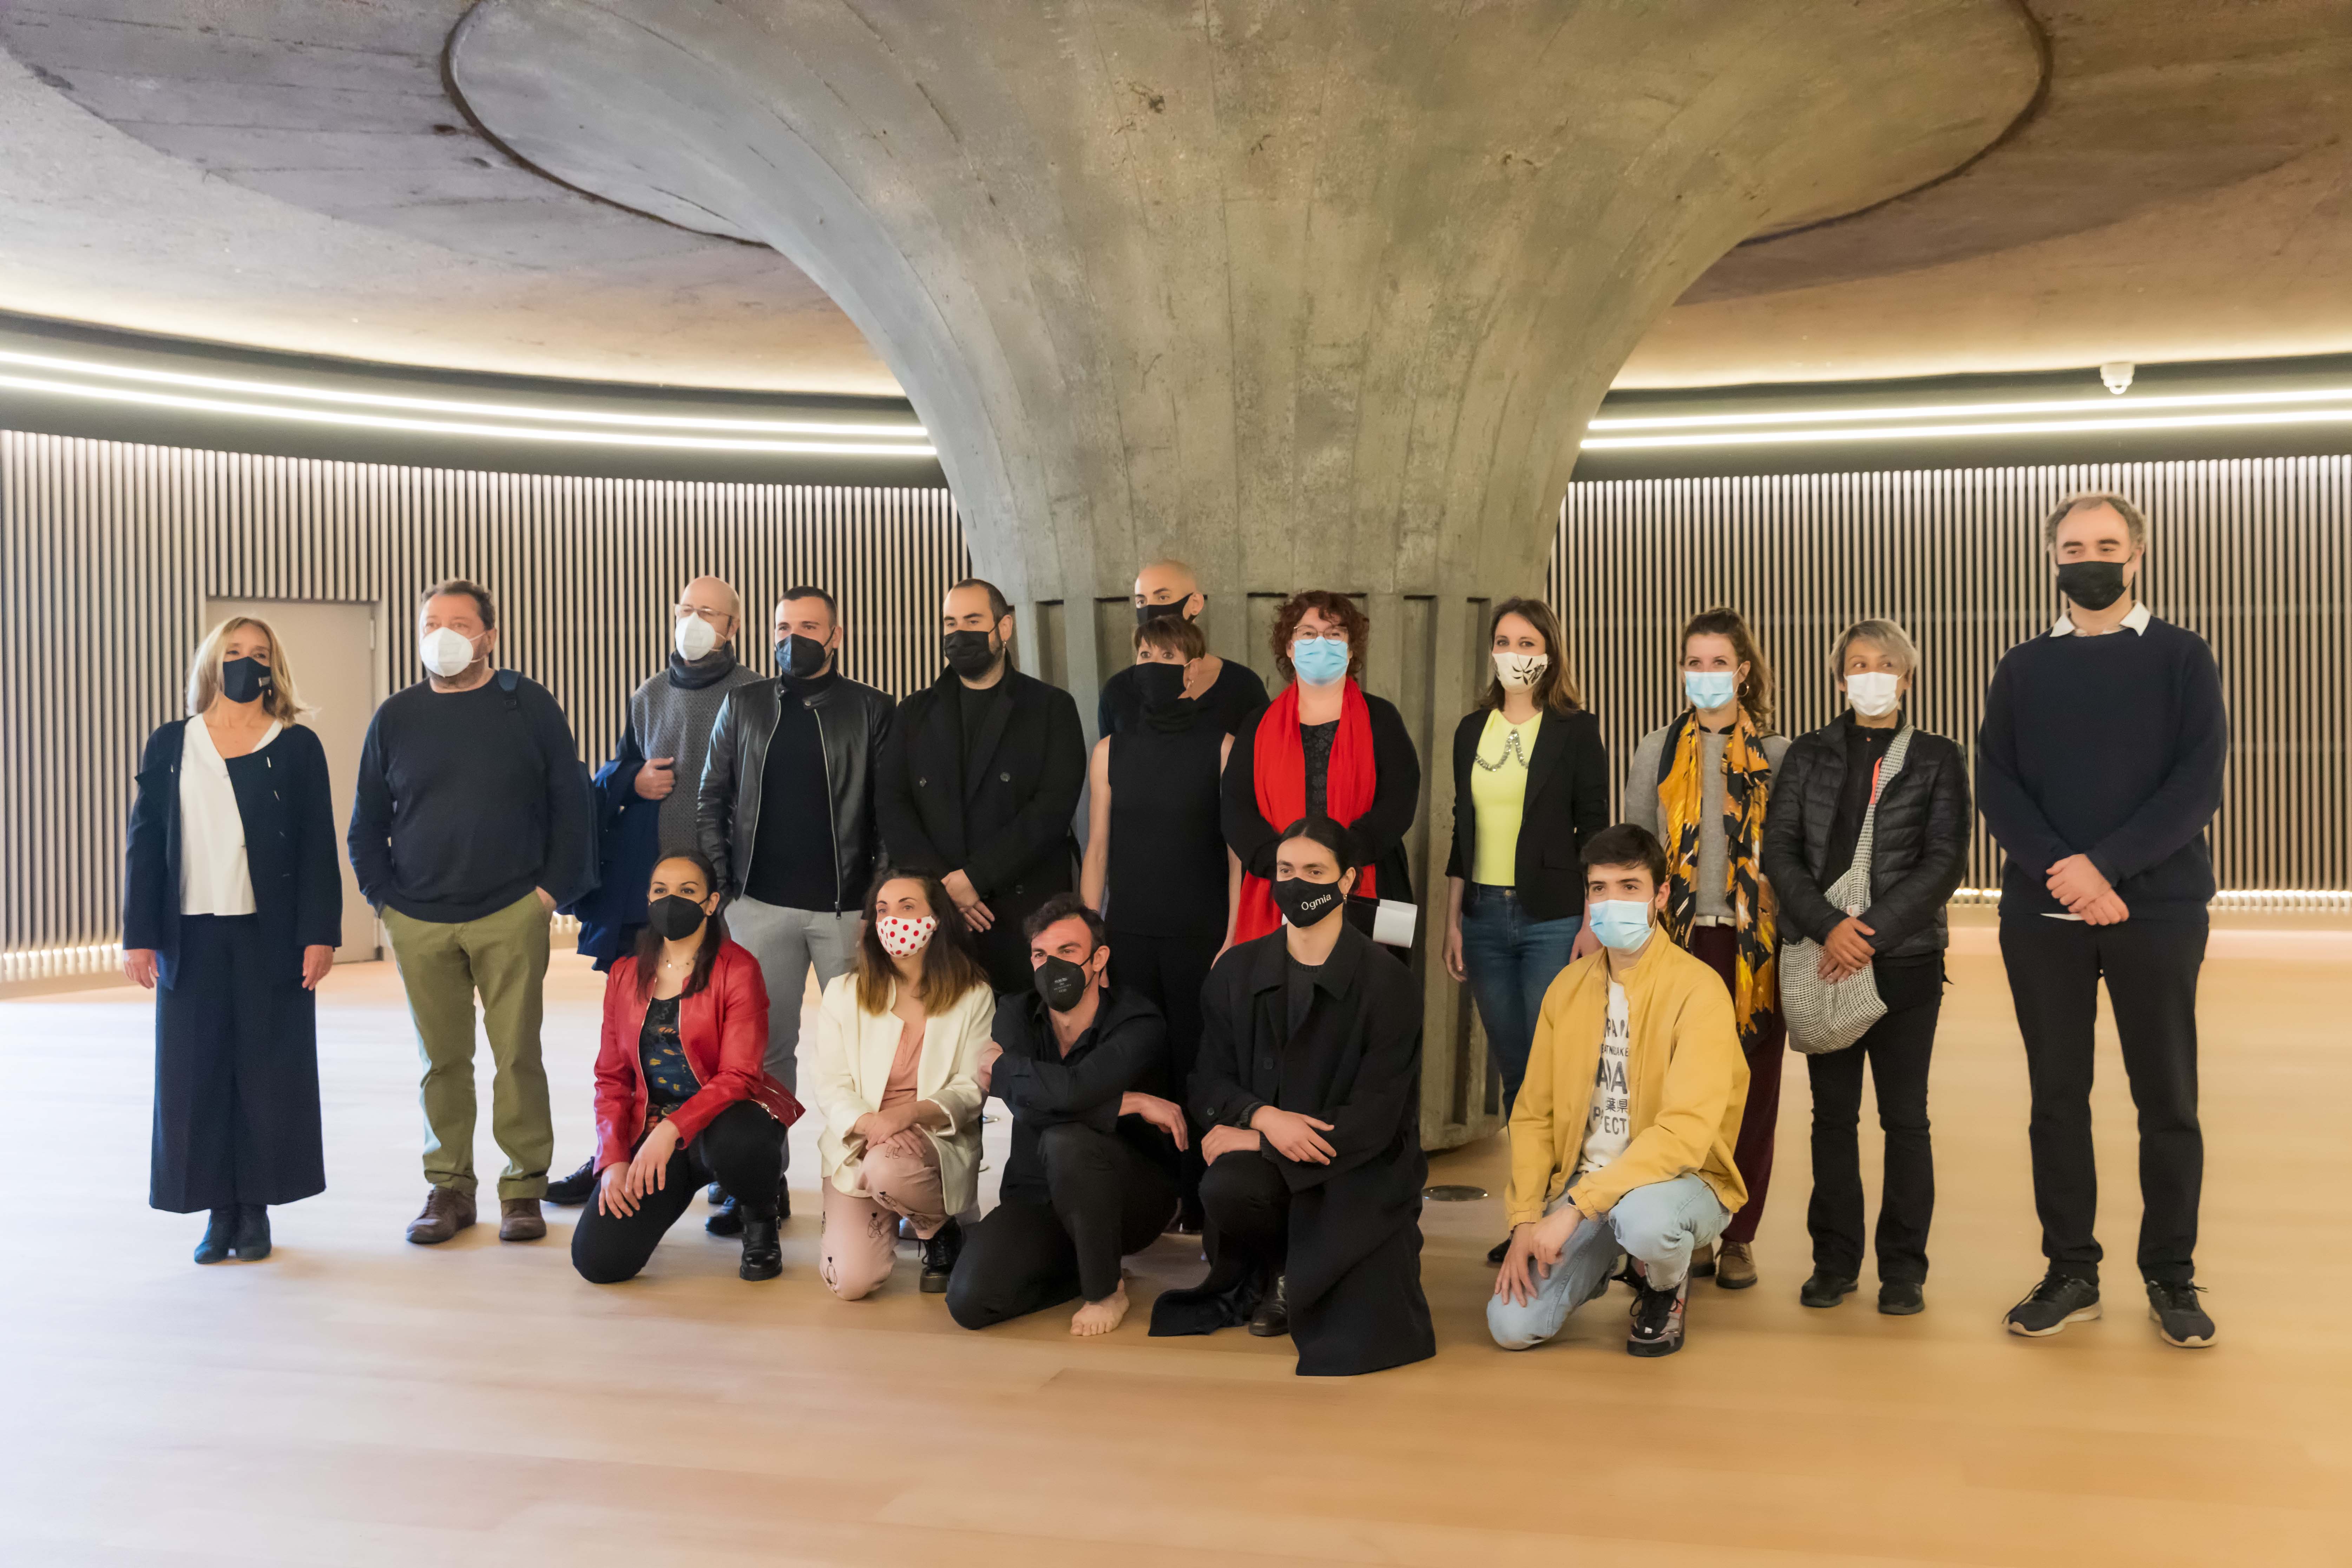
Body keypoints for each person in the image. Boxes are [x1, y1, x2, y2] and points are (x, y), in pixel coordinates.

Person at [1978, 491, 2226, 1348]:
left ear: (2137, 554)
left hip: (2155, 909)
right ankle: (2070, 1270)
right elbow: (1997, 783)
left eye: (2106, 544)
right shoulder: (2021, 667)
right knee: (2056, 1096)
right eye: (2073, 546)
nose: (2090, 558)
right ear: (2052, 558)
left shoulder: (2181, 657)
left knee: (2166, 1097)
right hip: (2042, 911)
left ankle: (2169, 1273)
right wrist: (2068, 872)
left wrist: (2105, 867)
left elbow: (2196, 783)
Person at [350, 579, 594, 1246]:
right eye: (432, 622)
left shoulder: (529, 705)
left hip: (510, 909)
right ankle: (449, 1188)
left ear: (490, 636)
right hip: (419, 917)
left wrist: (548, 894)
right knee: (441, 1061)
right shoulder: (396, 717)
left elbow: (571, 805)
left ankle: (523, 1189)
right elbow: (367, 820)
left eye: (460, 623)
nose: (444, 634)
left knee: (518, 1055)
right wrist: (384, 901)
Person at [1150, 818, 1434, 1377]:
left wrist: (1260, 1140)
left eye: (1314, 871)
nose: (1297, 883)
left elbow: (1377, 1115)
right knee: (1225, 1185)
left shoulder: (1389, 983)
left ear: (1348, 880)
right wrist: (1263, 1117)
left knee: (1362, 1327)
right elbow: (1207, 1081)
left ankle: (1301, 1274)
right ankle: (1273, 1265)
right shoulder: (1235, 971)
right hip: (1271, 1161)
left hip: (1356, 1167)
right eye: (1285, 870)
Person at [1761, 619, 1970, 1315]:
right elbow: (1780, 851)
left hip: (1905, 962)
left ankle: (1903, 1270)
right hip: (1824, 957)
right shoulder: (1808, 755)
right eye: (1857, 664)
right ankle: (1833, 1261)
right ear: (1839, 679)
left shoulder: (1937, 758)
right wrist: (1831, 929)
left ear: (1906, 678)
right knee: (1832, 1118)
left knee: (1905, 1119)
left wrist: (1869, 935)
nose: (1871, 675)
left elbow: (1944, 860)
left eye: (1885, 664)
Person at [123, 617, 341, 1265]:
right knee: (195, 1074)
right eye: (234, 652)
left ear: (275, 667)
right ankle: (218, 1211)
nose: (247, 663)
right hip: (188, 936)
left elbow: (317, 846)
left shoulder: (297, 746)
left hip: (269, 936)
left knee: (269, 1074)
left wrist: (320, 934)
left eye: (260, 654)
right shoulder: (172, 743)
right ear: (211, 663)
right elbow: (145, 843)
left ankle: (256, 1211)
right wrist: (139, 935)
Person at [1487, 824, 1750, 1358]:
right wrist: (1525, 1220)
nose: (1612, 901)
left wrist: (1573, 1210)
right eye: (1599, 888)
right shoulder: (1567, 988)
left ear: (1660, 895)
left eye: (1629, 887)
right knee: (1511, 1325)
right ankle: (1608, 1258)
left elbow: (1683, 1134)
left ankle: (1664, 1284)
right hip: (1589, 1181)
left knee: (1645, 1221)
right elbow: (1534, 1115)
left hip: (1678, 1182)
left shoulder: (1698, 990)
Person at [548, 575, 762, 1205]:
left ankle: (737, 1169)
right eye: (686, 609)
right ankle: (612, 1152)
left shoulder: (755, 694)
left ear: (733, 627)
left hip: (730, 892)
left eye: (709, 613)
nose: (694, 621)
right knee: (632, 1036)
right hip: (656, 896)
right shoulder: (647, 695)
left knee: (728, 1037)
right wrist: (632, 780)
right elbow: (615, 773)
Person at [692, 586, 896, 1229]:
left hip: (846, 914)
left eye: (808, 627)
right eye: (783, 627)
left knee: (862, 1055)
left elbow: (889, 815)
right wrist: (725, 889)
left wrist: (876, 903)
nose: (793, 638)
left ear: (836, 636)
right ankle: (762, 1182)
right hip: (758, 907)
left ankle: (870, 1187)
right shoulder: (744, 704)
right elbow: (711, 798)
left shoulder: (871, 709)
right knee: (762, 1055)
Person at [1620, 606, 1788, 1291]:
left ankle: (1739, 1236)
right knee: (1676, 1094)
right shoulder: (1655, 751)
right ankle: (1686, 1225)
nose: (1706, 673)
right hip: (1678, 944)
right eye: (1695, 662)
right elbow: (1632, 852)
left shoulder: (1778, 755)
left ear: (1742, 671)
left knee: (1752, 1096)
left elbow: (1796, 854)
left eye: (1719, 662)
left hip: (1756, 951)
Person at [946, 896, 1187, 1336]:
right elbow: (1026, 1108)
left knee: (1068, 1141)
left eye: (1067, 951)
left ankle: (1105, 1290)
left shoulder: (1137, 1021)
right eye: (1040, 954)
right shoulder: (1015, 1013)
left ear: (1099, 958)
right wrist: (1125, 1103)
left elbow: (1072, 1092)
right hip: (1037, 1195)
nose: (1051, 965)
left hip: (1128, 1198)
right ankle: (1081, 1268)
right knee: (969, 1301)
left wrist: (1005, 1071)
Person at [570, 854, 804, 1285]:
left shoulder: (739, 969)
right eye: (660, 891)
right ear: (648, 899)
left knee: (738, 1142)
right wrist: (613, 1158)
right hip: (656, 1132)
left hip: (726, 1122)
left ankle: (760, 1217)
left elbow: (740, 1075)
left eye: (687, 891)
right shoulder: (624, 974)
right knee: (599, 1261)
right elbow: (611, 1078)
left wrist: (671, 1128)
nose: (671, 900)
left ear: (711, 903)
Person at [1079, 610, 1240, 1231]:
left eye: (1167, 657)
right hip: (1127, 934)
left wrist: (1233, 935)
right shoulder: (1110, 751)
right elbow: (1097, 849)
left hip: (1202, 934)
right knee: (1139, 1061)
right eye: (1145, 655)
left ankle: (1200, 1198)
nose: (1153, 666)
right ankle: (1149, 1195)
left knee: (1198, 1062)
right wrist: (1089, 939)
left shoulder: (1222, 748)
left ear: (1193, 671)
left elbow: (1236, 856)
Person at [1441, 598, 1609, 1147]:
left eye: (1526, 643)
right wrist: (1452, 923)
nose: (1513, 654)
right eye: (1504, 643)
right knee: (1515, 1068)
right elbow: (1461, 831)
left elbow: (1594, 832)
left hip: (1553, 919)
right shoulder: (1471, 730)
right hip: (1482, 919)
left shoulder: (1575, 730)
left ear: (1549, 653)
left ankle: (1569, 1192)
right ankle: (1531, 1195)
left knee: (1553, 1066)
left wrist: (1591, 921)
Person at [874, 578, 1088, 994]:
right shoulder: (914, 711)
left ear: (1003, 628)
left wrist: (977, 877)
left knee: (1023, 1026)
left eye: (973, 621)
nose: (959, 634)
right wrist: (945, 886)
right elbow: (892, 803)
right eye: (950, 623)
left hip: (1024, 914)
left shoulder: (1051, 707)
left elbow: (1052, 807)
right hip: (938, 914)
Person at [801, 868, 996, 1298]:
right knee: (849, 1283)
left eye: (908, 907)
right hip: (859, 1138)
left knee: (886, 1167)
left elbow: (970, 1089)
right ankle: (922, 1219)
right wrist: (873, 1124)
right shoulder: (843, 991)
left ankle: (933, 1225)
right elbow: (829, 1081)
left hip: (930, 1135)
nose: (893, 920)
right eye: (883, 910)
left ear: (936, 919)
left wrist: (905, 1115)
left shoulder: (973, 993)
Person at [1222, 591, 1420, 946]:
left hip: (1360, 883)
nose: (1321, 643)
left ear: (1350, 648)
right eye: (1308, 633)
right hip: (1277, 890)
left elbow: (1399, 800)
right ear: (1289, 646)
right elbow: (1236, 807)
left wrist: (1340, 861)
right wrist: (1283, 866)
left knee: (1361, 981)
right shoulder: (1257, 725)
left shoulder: (1381, 719)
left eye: (1334, 634)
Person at [1096, 558, 1267, 736]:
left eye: (1163, 598)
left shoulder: (1242, 686)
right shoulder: (1117, 691)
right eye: (1141, 602)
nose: (1150, 611)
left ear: (1195, 604)